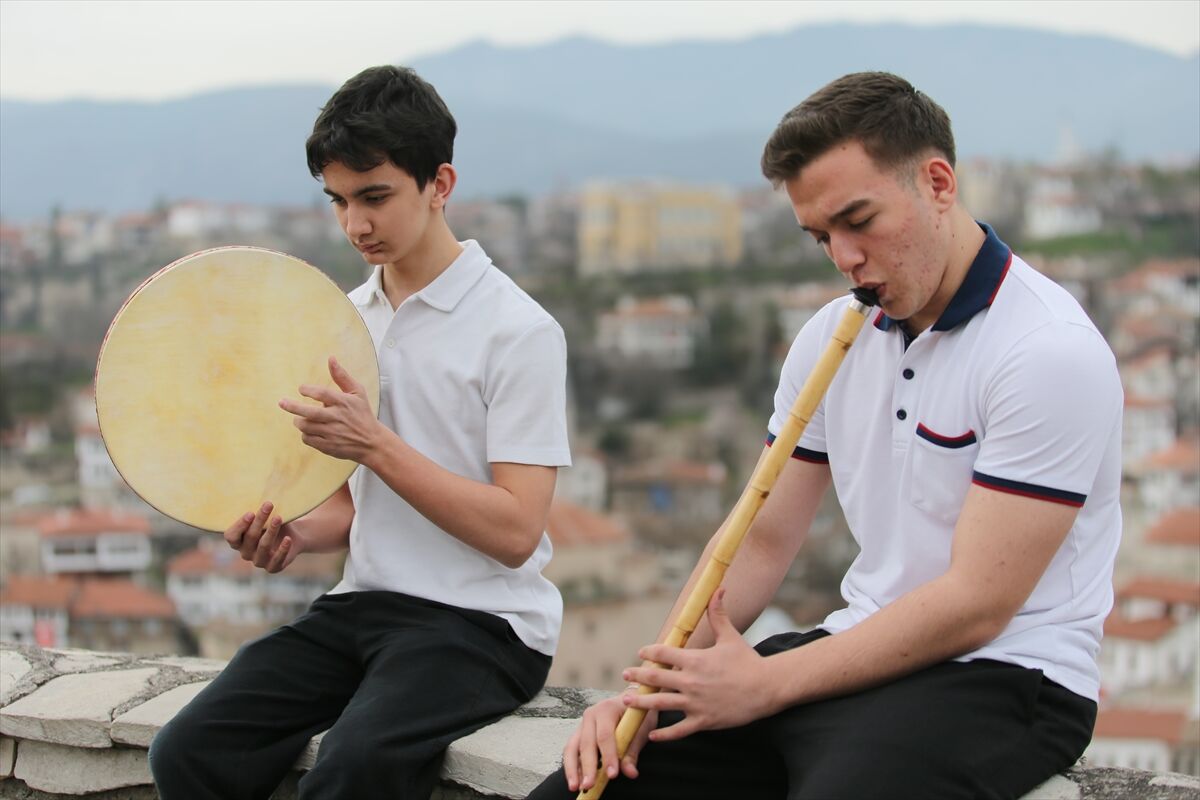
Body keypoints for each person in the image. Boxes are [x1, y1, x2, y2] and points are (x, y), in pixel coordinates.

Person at [530, 71, 1121, 800]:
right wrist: (647, 691)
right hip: (851, 651)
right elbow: (761, 540)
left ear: (938, 184)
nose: (844, 258)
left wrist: (768, 683)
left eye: (859, 221)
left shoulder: (1047, 351)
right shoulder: (828, 338)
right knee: (586, 785)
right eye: (821, 237)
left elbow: (978, 602)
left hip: (1006, 674)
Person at [149, 65, 571, 800]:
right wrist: (291, 534)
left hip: (486, 625)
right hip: (363, 604)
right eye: (339, 201)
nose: (355, 225)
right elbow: (349, 509)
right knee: (188, 750)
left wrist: (375, 443)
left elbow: (515, 533)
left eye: (375, 197)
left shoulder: (519, 331)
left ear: (440, 184)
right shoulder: (341, 319)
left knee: (352, 770)